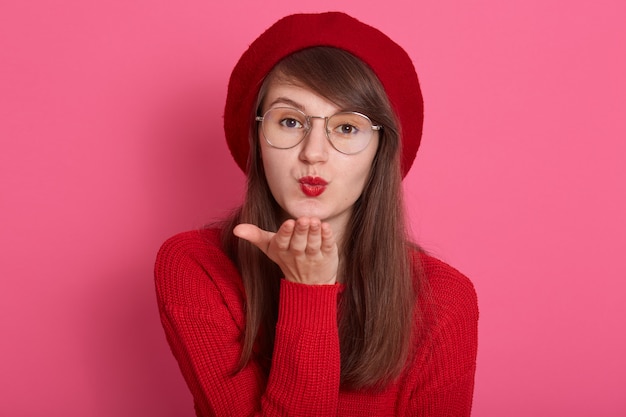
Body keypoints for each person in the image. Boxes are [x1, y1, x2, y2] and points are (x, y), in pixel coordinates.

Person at [154, 11, 478, 417]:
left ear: (381, 151)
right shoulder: (196, 266)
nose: (313, 152)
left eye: (346, 128)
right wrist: (308, 291)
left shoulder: (442, 300)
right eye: (290, 121)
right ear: (256, 136)